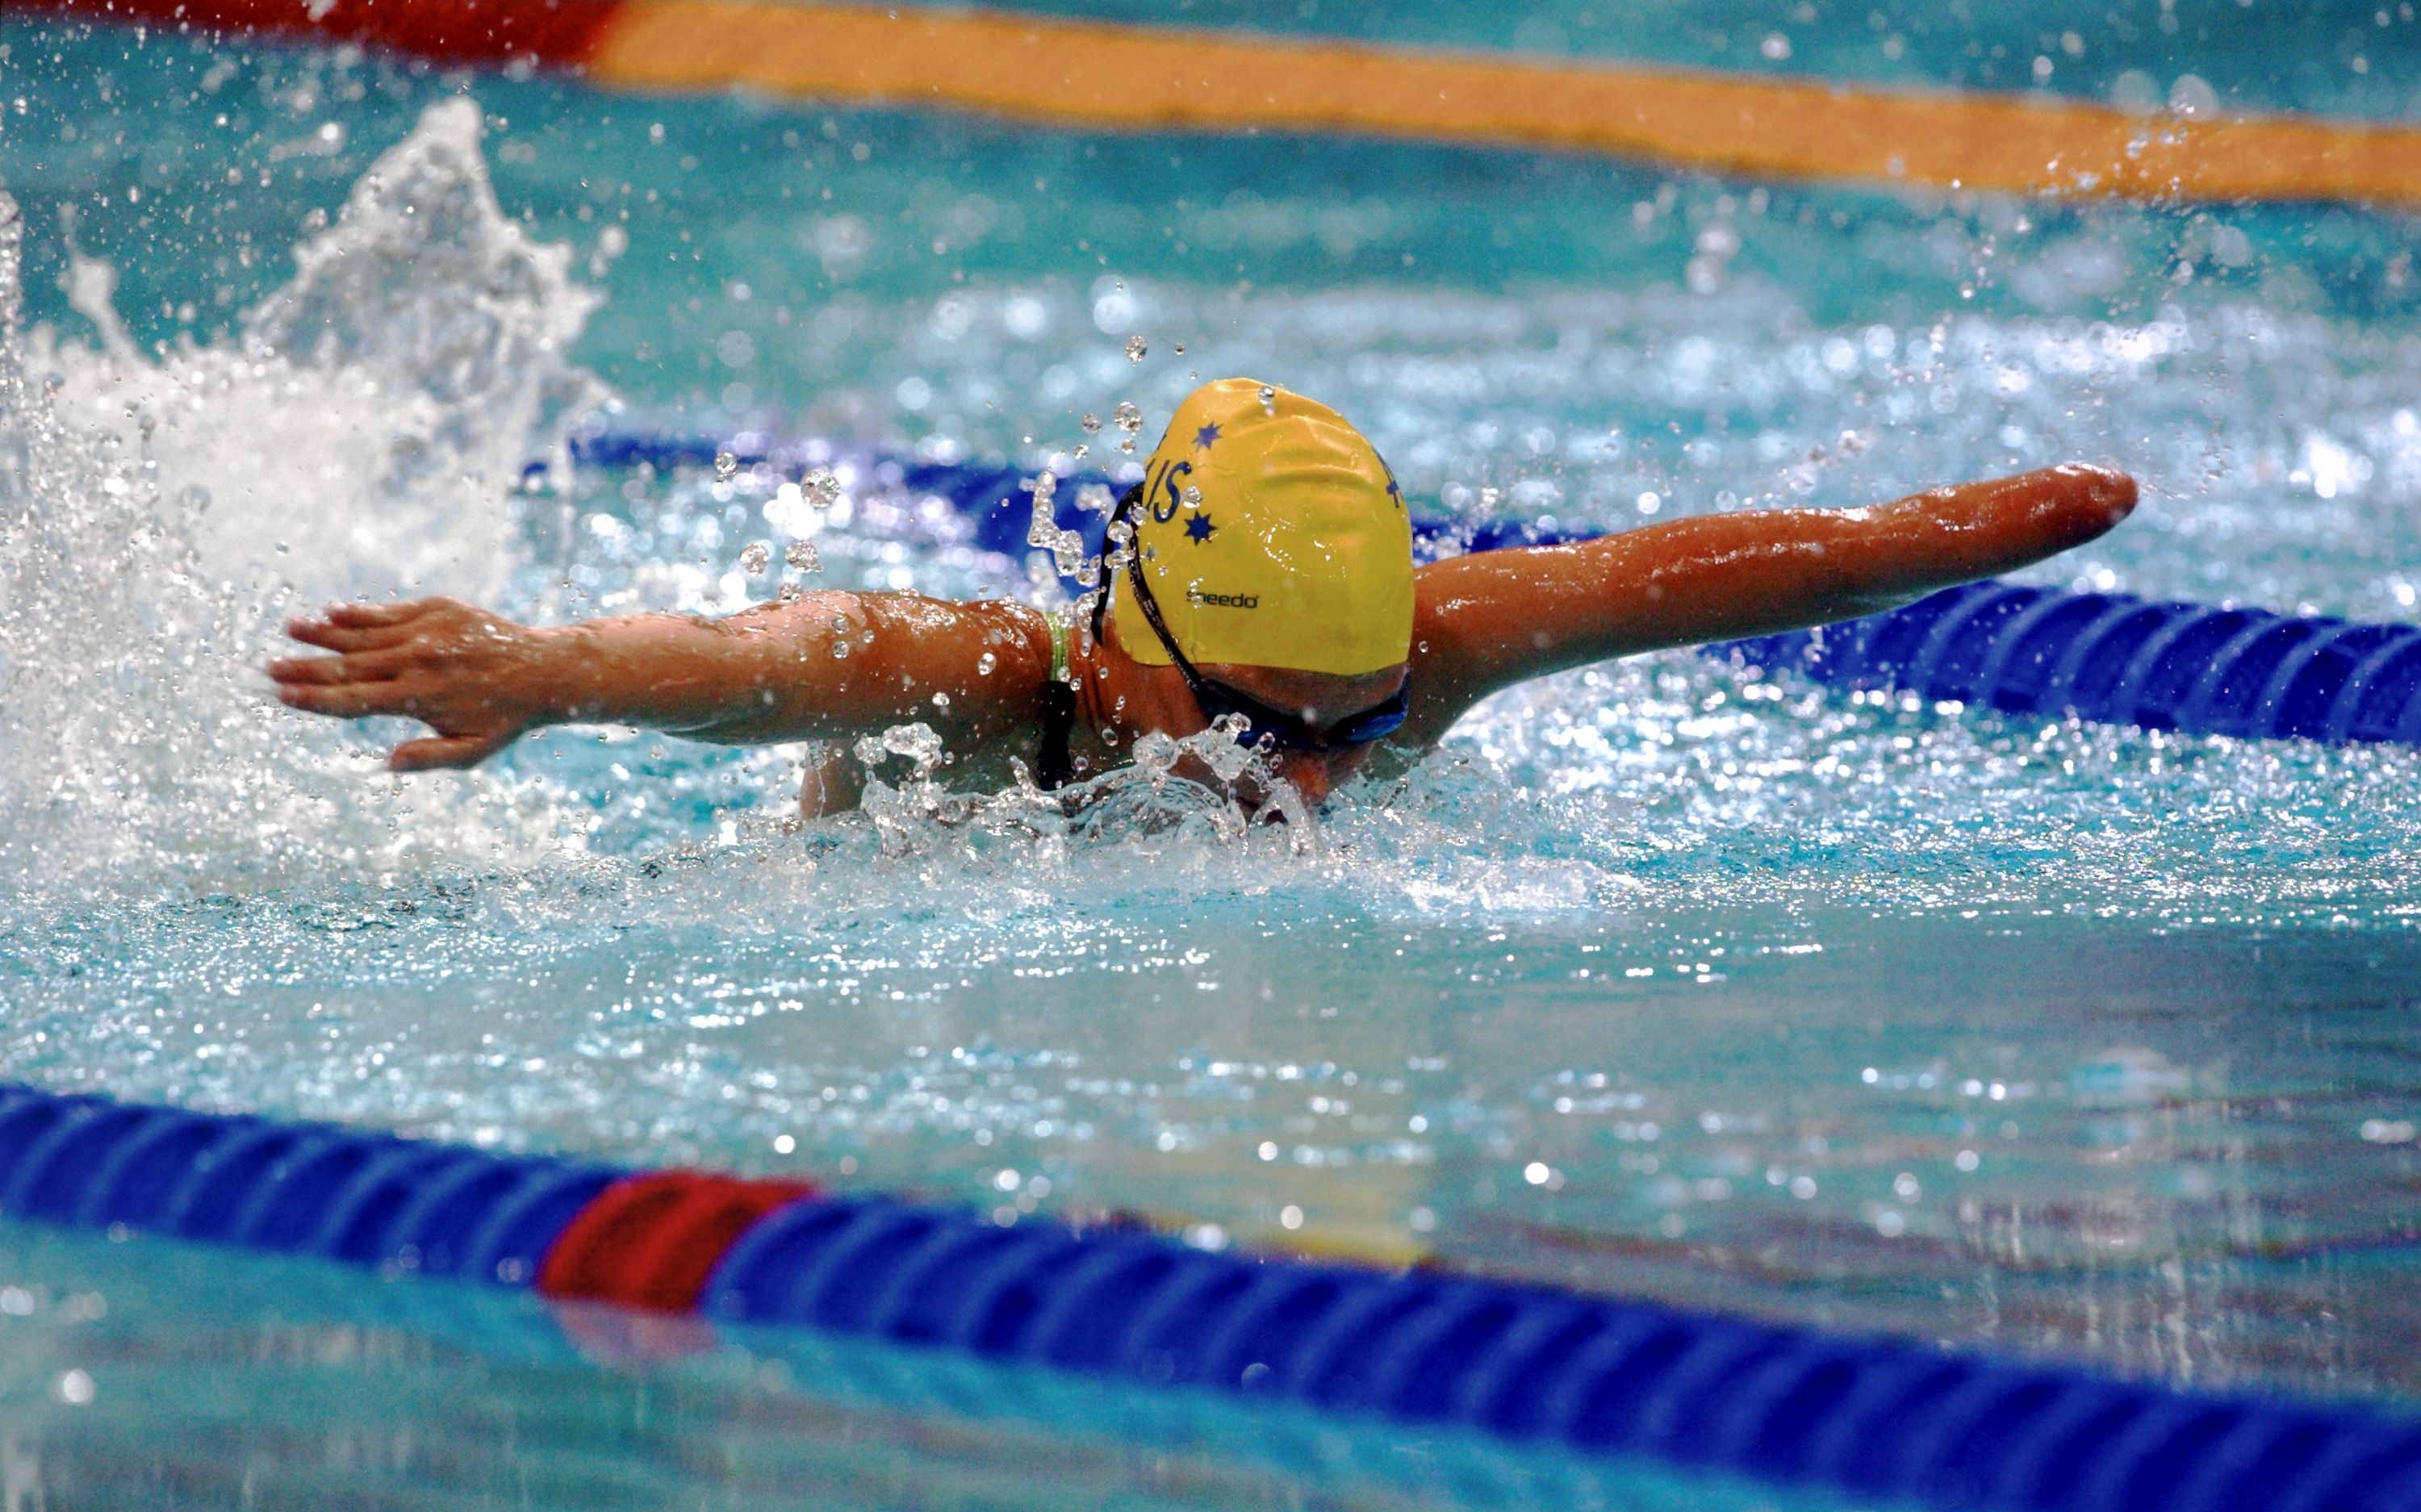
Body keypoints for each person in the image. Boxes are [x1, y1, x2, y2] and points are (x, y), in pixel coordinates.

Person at [270, 377, 2138, 814]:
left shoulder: (1437, 647)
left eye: (1361, 726)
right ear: (1125, 638)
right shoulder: (998, 687)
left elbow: (1708, 577)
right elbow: (786, 657)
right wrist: (563, 669)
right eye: (1250, 727)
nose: (1306, 784)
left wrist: (1964, 538)